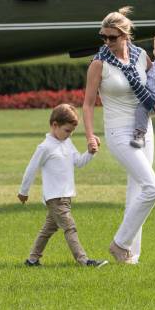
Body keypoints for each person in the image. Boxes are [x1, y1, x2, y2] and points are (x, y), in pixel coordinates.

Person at [83, 6, 155, 264]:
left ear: (126, 35)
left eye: (112, 37)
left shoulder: (141, 55)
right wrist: (90, 135)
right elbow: (87, 104)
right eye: (104, 37)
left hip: (144, 130)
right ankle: (119, 244)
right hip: (118, 132)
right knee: (153, 188)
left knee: (138, 191)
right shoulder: (99, 63)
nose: (107, 42)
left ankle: (130, 258)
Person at [17, 103, 107, 268]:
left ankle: (32, 260)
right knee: (70, 227)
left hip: (66, 196)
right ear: (54, 125)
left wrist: (91, 152)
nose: (69, 135)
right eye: (67, 131)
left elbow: (79, 162)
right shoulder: (45, 147)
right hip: (55, 197)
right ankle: (84, 261)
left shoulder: (67, 143)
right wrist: (23, 191)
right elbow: (31, 169)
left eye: (72, 132)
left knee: (48, 230)